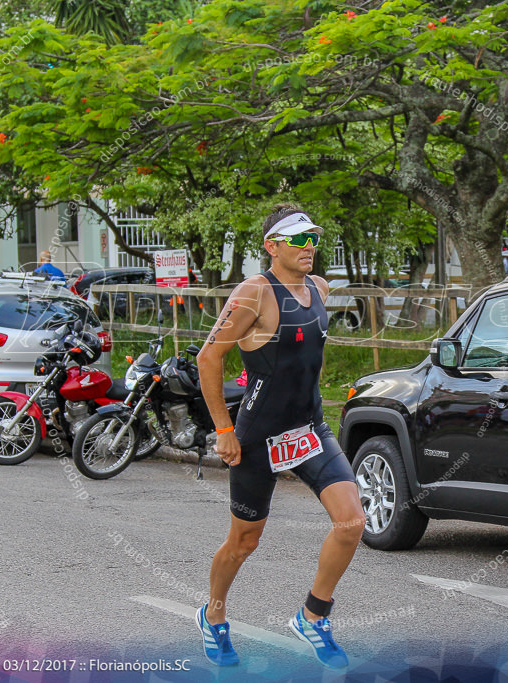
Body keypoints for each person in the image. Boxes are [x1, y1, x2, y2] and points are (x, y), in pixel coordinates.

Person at [194, 205, 365, 669]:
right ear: (272, 246)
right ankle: (213, 614)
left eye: (314, 239)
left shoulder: (320, 288)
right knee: (244, 542)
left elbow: (312, 358)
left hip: (309, 428)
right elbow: (209, 359)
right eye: (299, 240)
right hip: (259, 434)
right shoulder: (253, 294)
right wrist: (224, 431)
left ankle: (313, 615)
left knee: (351, 523)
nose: (310, 248)